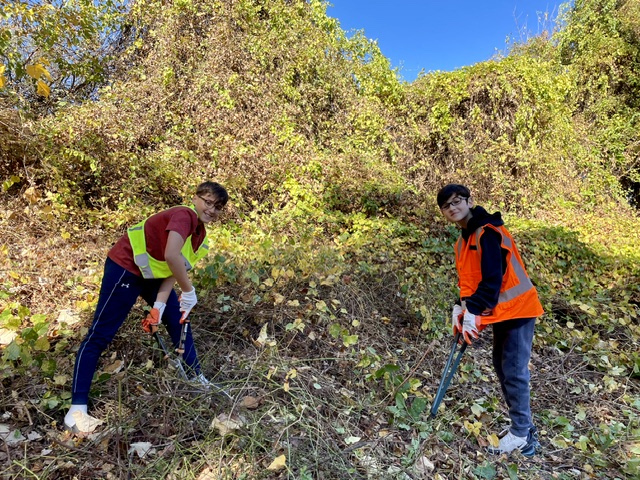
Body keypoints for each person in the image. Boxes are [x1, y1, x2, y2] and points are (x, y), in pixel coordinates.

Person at [64, 181, 228, 433]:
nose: (211, 210)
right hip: (125, 269)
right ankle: (76, 410)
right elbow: (172, 255)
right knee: (101, 334)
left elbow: (174, 269)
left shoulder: (200, 235)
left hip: (151, 278)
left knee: (177, 318)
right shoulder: (184, 216)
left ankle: (197, 379)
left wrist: (160, 306)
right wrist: (188, 290)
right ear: (196, 198)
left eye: (217, 207)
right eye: (208, 202)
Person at [436, 184, 543, 456]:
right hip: (503, 311)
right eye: (447, 205)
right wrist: (460, 307)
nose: (453, 208)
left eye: (457, 201)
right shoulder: (464, 240)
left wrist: (473, 310)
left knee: (514, 370)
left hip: (519, 309)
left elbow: (493, 280)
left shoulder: (487, 233)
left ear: (470, 201)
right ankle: (523, 427)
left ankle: (521, 434)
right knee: (502, 366)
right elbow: (469, 282)